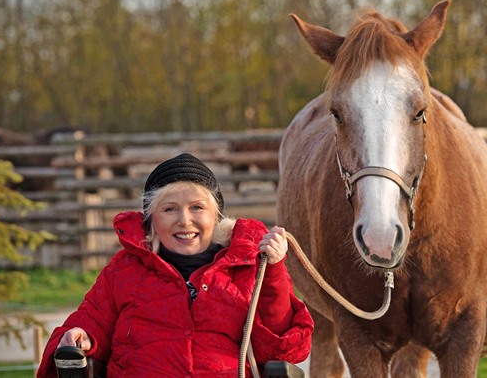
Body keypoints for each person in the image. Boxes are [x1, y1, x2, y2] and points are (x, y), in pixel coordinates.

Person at [37, 153, 313, 377]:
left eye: (197, 208)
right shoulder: (124, 270)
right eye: (169, 209)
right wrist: (81, 336)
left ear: (215, 216)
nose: (184, 220)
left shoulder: (248, 268)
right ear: (151, 219)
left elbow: (284, 350)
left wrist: (274, 271)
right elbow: (90, 321)